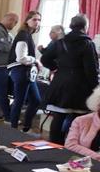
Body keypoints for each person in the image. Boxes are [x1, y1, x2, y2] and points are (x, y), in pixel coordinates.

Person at [43, 14, 100, 143]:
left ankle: (53, 145)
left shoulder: (60, 42)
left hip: (60, 83)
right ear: (85, 27)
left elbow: (44, 58)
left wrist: (57, 68)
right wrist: (95, 88)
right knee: (77, 119)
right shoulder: (87, 43)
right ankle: (71, 145)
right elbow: (91, 70)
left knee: (58, 117)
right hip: (79, 86)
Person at [6, 11, 43, 130]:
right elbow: (21, 57)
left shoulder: (27, 35)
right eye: (34, 19)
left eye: (39, 20)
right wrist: (35, 60)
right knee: (19, 101)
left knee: (36, 100)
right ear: (27, 20)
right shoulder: (23, 35)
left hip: (26, 73)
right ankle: (13, 128)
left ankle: (26, 126)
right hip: (21, 72)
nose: (37, 22)